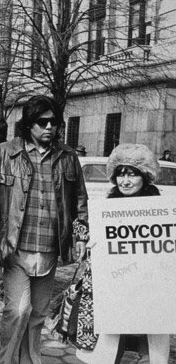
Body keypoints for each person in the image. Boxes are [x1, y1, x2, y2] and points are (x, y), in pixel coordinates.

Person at [0, 95, 88, 364]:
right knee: (18, 310)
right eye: (43, 122)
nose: (49, 127)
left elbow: (79, 200)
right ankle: (7, 360)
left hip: (50, 248)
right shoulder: (3, 153)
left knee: (38, 313)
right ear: (29, 124)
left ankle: (30, 360)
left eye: (54, 122)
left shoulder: (68, 157)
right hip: (15, 247)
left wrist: (81, 235)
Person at [77, 143, 170, 364]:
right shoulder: (108, 205)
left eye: (132, 175)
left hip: (150, 285)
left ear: (145, 176)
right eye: (120, 175)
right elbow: (88, 230)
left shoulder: (160, 207)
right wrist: (90, 242)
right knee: (109, 344)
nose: (125, 181)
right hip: (116, 284)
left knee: (153, 342)